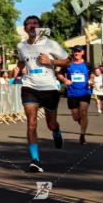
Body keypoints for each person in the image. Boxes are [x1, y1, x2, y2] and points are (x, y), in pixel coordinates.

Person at [14, 15, 70, 172]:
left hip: (49, 88)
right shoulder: (21, 46)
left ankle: (56, 131)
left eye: (35, 24)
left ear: (40, 27)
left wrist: (51, 61)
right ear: (25, 28)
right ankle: (35, 161)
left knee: (50, 124)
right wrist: (18, 68)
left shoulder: (50, 44)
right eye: (29, 24)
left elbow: (67, 61)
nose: (32, 26)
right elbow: (21, 60)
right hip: (29, 86)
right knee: (31, 123)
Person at [58, 45, 92, 144]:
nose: (76, 53)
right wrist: (65, 80)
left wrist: (91, 80)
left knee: (84, 113)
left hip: (85, 92)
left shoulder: (87, 64)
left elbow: (92, 74)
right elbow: (59, 74)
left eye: (78, 51)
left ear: (83, 53)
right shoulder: (68, 64)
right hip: (72, 93)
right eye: (75, 51)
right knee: (75, 117)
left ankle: (82, 135)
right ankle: (82, 124)